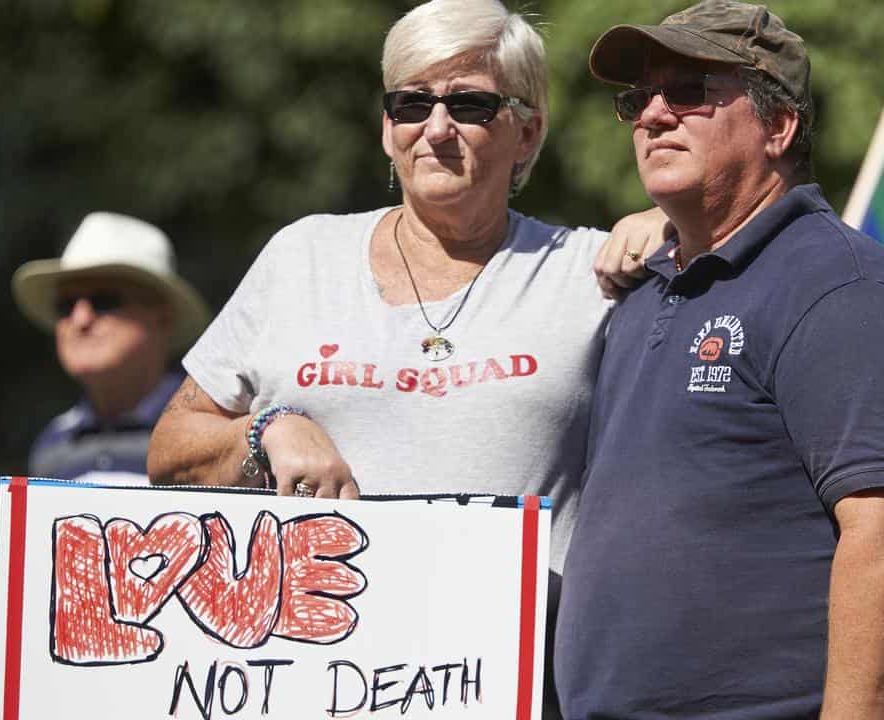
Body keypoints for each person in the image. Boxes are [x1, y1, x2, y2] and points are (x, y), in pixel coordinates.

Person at [146, 1, 663, 714]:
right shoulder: (302, 255)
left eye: (471, 104)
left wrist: (670, 218)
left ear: (528, 132)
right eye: (411, 103)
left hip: (515, 690)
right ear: (387, 127)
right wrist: (265, 432)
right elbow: (170, 451)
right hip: (310, 689)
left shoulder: (591, 270)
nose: (436, 128)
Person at [555, 2, 884, 719]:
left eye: (688, 91)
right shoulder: (646, 290)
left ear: (777, 127)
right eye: (638, 98)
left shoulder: (841, 289)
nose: (653, 114)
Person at [13, 211, 210, 485]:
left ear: (162, 318)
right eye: (66, 306)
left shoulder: (211, 430)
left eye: (104, 301)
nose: (80, 320)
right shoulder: (52, 442)